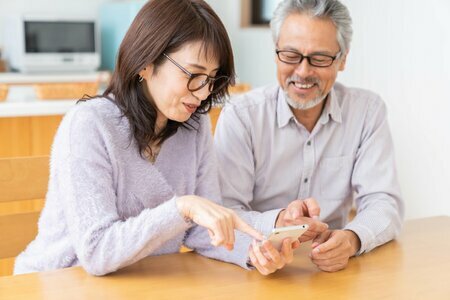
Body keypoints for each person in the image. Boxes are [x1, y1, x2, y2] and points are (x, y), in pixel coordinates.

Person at [13, 0, 304, 276]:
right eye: (194, 74)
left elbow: (203, 229)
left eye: (212, 78)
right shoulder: (89, 124)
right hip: (60, 281)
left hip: (140, 281)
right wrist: (182, 208)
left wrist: (259, 246)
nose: (203, 93)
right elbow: (97, 251)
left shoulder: (193, 124)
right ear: (146, 63)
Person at [214, 0, 404, 272]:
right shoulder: (241, 116)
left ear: (343, 59)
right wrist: (276, 223)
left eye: (320, 58)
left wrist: (352, 239)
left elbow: (383, 202)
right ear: (276, 52)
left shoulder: (367, 112)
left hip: (331, 271)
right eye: (290, 55)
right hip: (255, 267)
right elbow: (224, 211)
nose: (303, 72)